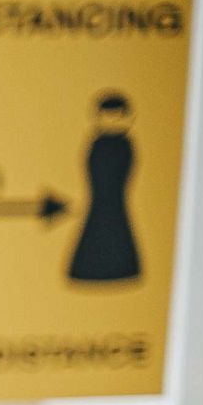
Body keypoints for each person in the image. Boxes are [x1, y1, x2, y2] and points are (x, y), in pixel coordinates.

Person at [68, 92, 141, 283]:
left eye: (116, 115)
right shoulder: (98, 145)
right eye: (108, 115)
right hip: (100, 201)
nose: (111, 120)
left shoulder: (124, 146)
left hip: (114, 203)